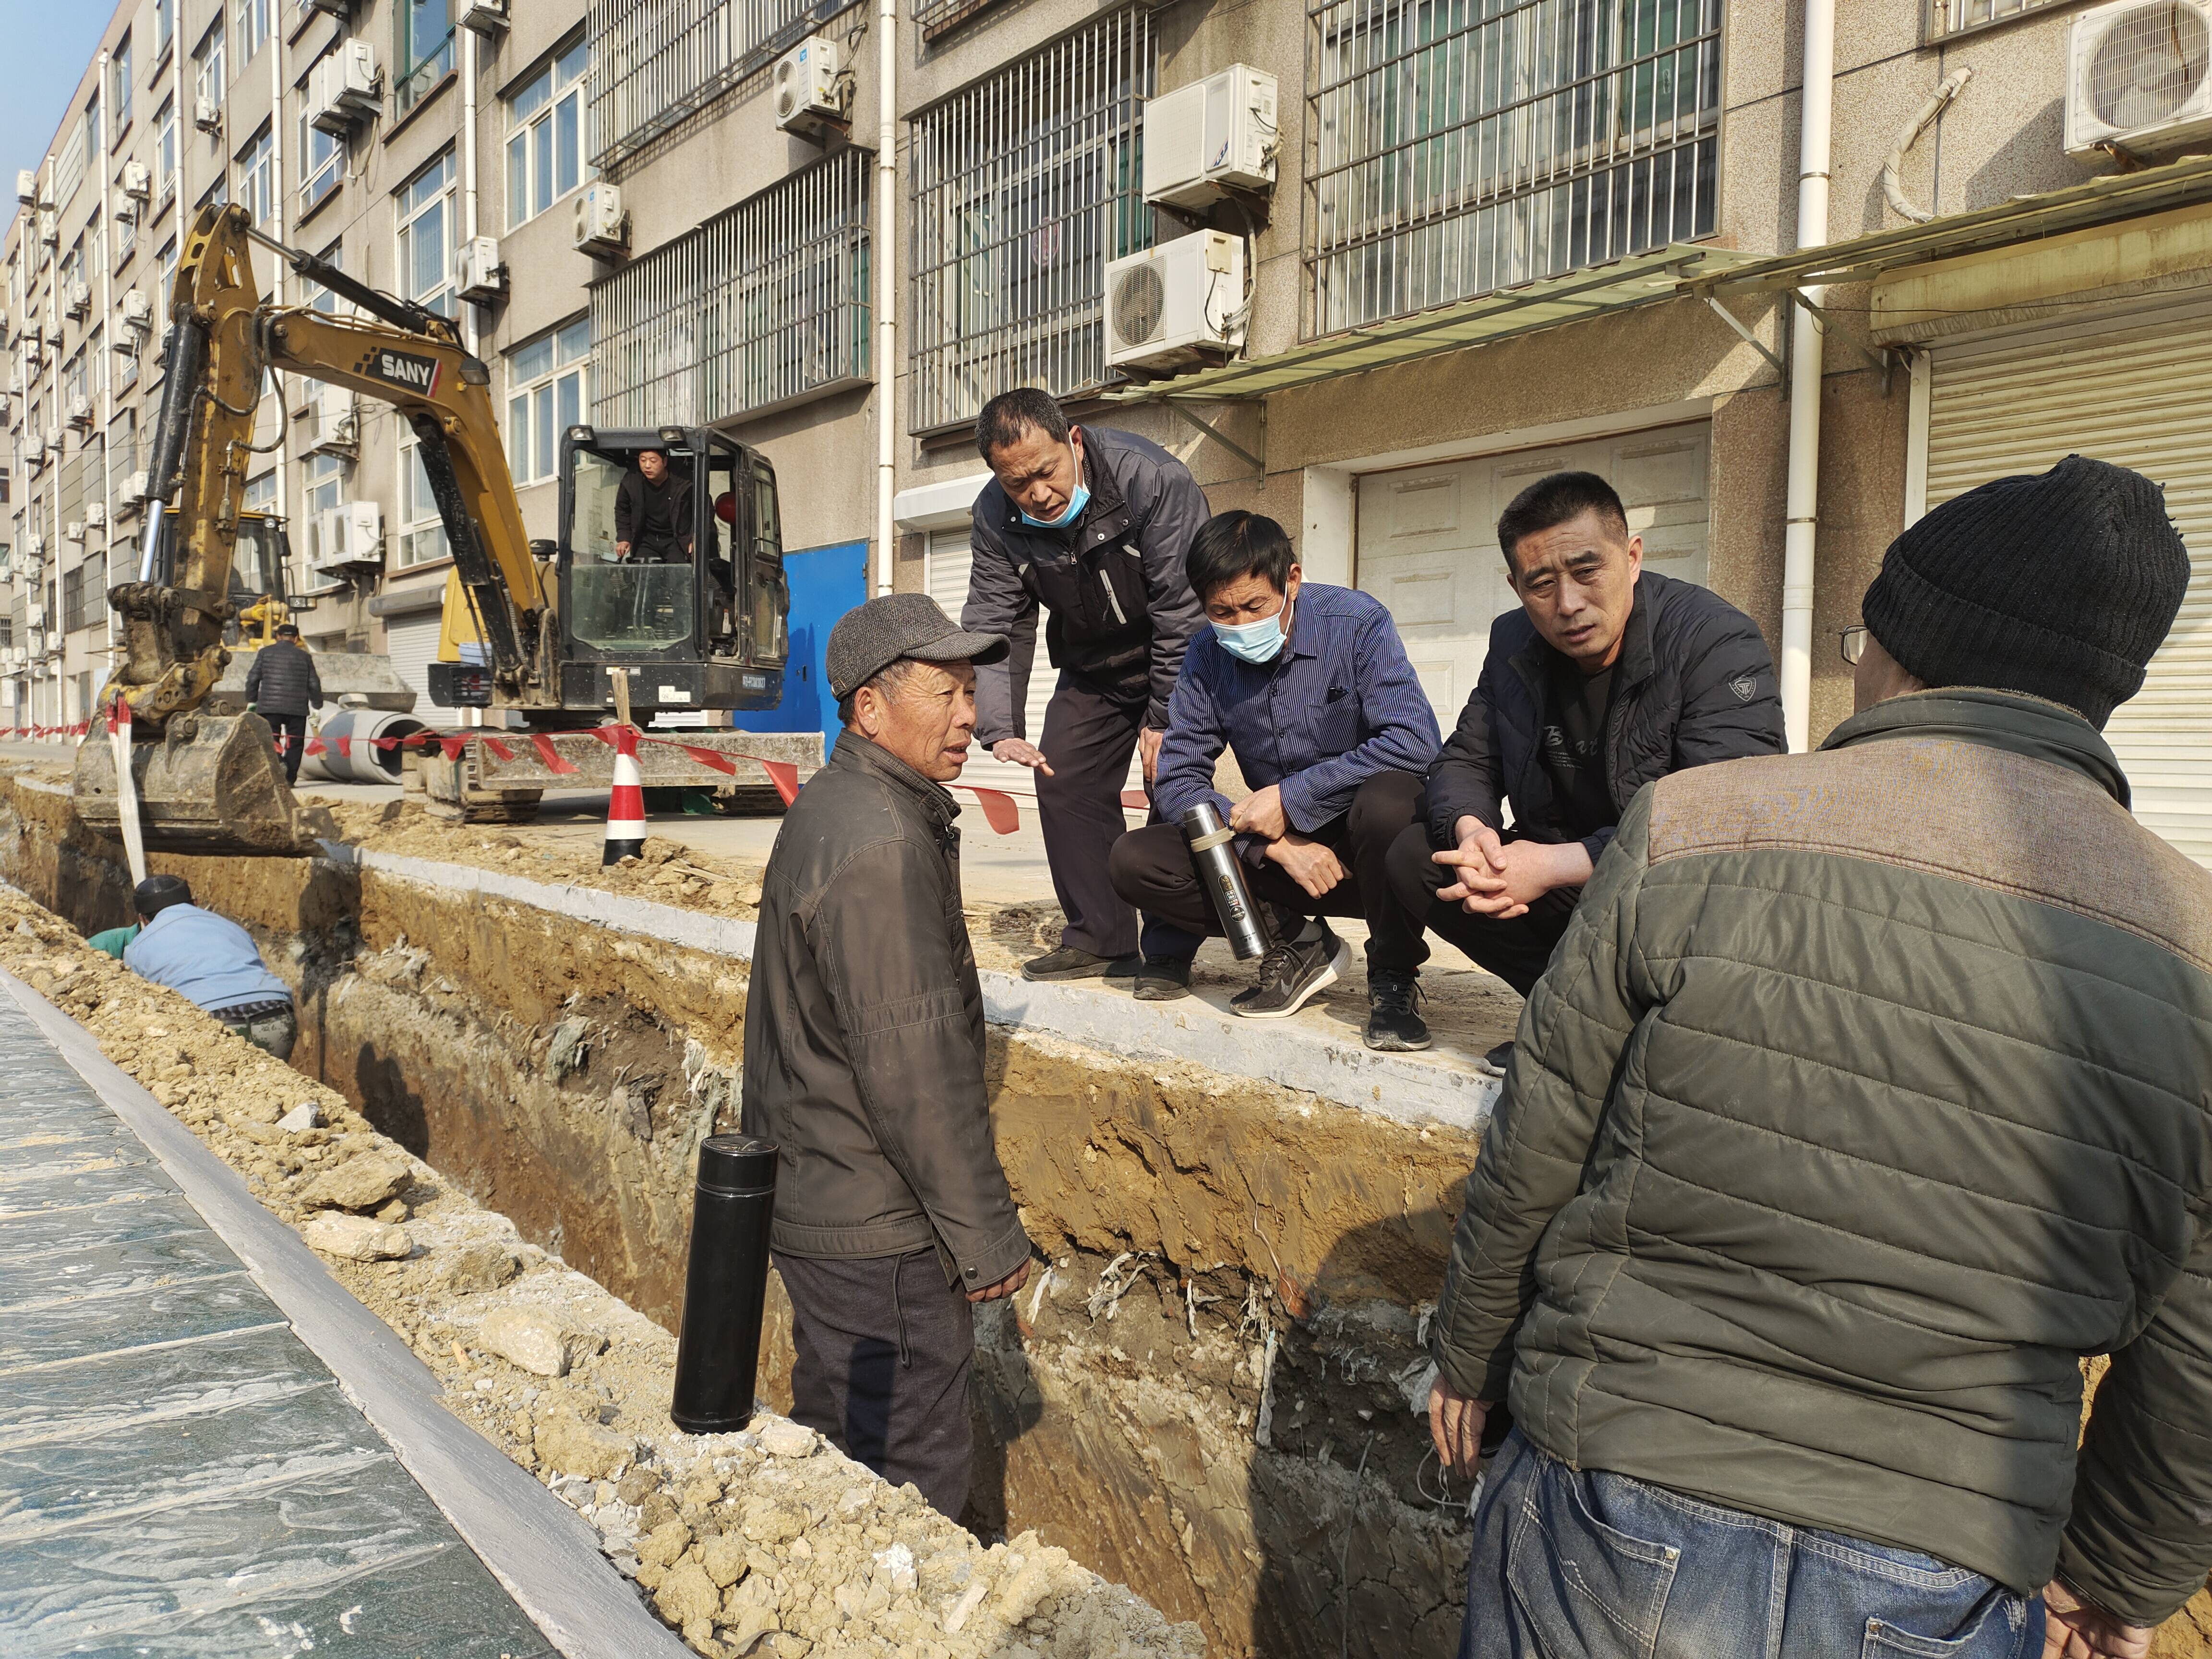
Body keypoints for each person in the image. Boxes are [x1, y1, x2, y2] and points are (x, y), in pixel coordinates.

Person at [1425, 455, 2209, 1659]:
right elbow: (2196, 1334)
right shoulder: (2194, 946)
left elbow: (1540, 1129)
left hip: (1617, 1485)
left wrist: (1469, 1352)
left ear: (1893, 645)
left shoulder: (1696, 822)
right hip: (1943, 1561)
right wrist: (2116, 1573)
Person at [739, 593, 1034, 1523]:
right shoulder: (879, 842)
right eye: (945, 693)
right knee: (909, 1480)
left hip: (824, 1199)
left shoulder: (848, 808)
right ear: (871, 707)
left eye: (971, 691)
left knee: (841, 1442)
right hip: (875, 1233)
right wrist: (986, 1239)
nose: (969, 716)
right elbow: (914, 1070)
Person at [1385, 470, 1782, 1074]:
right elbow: (1466, 757)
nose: (1567, 604)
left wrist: (1550, 865)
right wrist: (1474, 834)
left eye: (1587, 571)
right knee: (1419, 854)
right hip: (1568, 880)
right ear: (1515, 585)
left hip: (1671, 887)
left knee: (1702, 888)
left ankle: (1643, 1028)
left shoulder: (1713, 639)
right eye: (1541, 583)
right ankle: (1573, 1018)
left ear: (1632, 556)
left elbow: (1723, 814)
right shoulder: (1514, 641)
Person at [1108, 512, 1442, 1047]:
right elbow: (1178, 776)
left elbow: (1415, 742)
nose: (1239, 625)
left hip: (1364, 857)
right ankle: (1299, 943)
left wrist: (1292, 798)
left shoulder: (1358, 624)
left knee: (1390, 801)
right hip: (1274, 853)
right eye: (1221, 612)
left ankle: (1394, 977)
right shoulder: (1204, 655)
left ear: (1292, 580)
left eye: (1254, 607)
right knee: (1139, 859)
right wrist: (1271, 844)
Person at [962, 389, 1209, 983]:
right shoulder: (995, 517)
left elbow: (1184, 608)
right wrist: (997, 728)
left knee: (1169, 785)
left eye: (1046, 472)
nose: (1039, 495)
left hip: (1180, 660)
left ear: (1073, 441)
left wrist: (1163, 719)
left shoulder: (1152, 480)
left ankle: (1171, 951)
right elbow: (995, 622)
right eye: (1018, 484)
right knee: (1064, 779)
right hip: (1093, 666)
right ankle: (1102, 938)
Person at [122, 875, 299, 1061]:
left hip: (213, 1021)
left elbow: (145, 1007)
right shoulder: (233, 928)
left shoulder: (137, 948)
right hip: (276, 1012)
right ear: (195, 903)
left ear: (143, 919)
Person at [242, 622, 324, 785]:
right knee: (295, 743)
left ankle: (278, 768)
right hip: (297, 709)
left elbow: (253, 678)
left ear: (278, 637)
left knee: (270, 740)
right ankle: (290, 779)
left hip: (269, 708)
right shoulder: (305, 657)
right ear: (296, 639)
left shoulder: (265, 653)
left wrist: (252, 700)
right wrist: (317, 705)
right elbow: (314, 683)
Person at [614, 447, 692, 563]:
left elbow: (703, 512)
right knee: (644, 573)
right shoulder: (631, 481)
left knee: (678, 573)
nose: (647, 466)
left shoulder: (685, 482)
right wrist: (624, 538)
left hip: (678, 538)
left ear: (665, 462)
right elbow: (622, 510)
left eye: (653, 461)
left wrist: (696, 539)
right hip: (646, 539)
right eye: (643, 460)